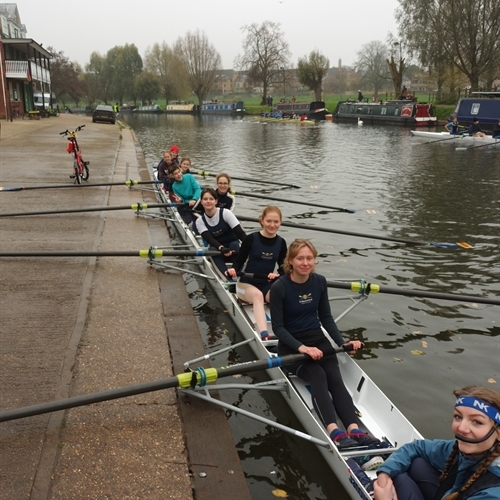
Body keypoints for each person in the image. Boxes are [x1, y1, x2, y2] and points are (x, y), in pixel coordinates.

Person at [270, 239, 380, 451]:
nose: (305, 263)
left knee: (334, 376)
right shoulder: (279, 287)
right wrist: (303, 348)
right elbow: (278, 328)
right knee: (318, 376)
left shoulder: (319, 282)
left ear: (315, 260)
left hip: (319, 341)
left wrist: (342, 342)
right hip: (291, 347)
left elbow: (326, 318)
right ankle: (334, 432)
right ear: (290, 261)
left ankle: (354, 429)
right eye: (300, 258)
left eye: (309, 258)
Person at [374, 385, 500, 500]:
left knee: (400, 480)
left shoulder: (493, 493)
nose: (461, 428)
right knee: (417, 463)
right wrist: (384, 474)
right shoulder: (465, 450)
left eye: (477, 422)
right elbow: (418, 447)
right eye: (458, 417)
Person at [226, 206, 287, 340]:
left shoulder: (281, 242)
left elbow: (283, 267)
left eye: (276, 222)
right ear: (262, 221)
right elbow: (239, 261)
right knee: (258, 296)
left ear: (280, 222)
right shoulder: (251, 239)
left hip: (266, 283)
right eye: (269, 221)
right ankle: (264, 334)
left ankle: (287, 330)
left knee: (280, 296)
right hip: (245, 283)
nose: (272, 225)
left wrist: (278, 275)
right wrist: (233, 270)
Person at [195, 188, 246, 274]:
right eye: (205, 199)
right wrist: (221, 248)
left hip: (233, 249)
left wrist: (252, 246)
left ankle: (238, 273)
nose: (208, 201)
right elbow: (209, 239)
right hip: (217, 250)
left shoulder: (226, 213)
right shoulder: (200, 221)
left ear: (216, 201)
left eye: (211, 199)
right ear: (201, 202)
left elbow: (240, 233)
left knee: (235, 244)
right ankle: (225, 277)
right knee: (211, 249)